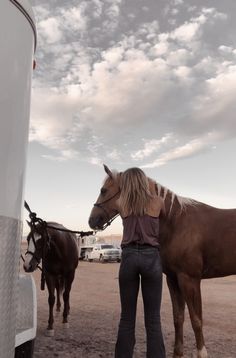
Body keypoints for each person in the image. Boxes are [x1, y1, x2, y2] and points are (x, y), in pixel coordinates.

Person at [115, 167, 166, 358]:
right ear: (144, 181)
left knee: (126, 318)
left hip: (128, 258)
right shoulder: (158, 202)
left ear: (126, 183)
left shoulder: (121, 204)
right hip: (151, 257)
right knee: (153, 319)